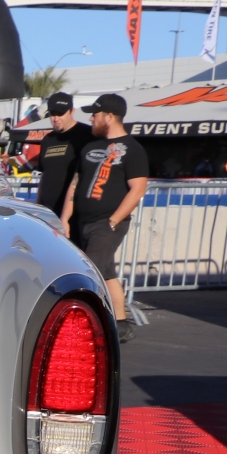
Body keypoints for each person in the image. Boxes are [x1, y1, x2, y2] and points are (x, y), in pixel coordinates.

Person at [61, 92, 149, 339]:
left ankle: (77, 328)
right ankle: (121, 324)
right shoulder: (90, 146)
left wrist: (113, 220)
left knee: (87, 275)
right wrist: (65, 218)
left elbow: (138, 189)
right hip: (83, 222)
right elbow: (75, 183)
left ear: (109, 117)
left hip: (107, 223)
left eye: (95, 114)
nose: (91, 118)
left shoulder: (133, 149)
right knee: (107, 274)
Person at [30, 92, 92, 215]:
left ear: (72, 111)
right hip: (48, 211)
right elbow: (44, 175)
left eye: (60, 114)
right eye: (53, 114)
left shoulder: (87, 134)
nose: (56, 119)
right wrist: (38, 207)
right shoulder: (47, 139)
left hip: (74, 212)